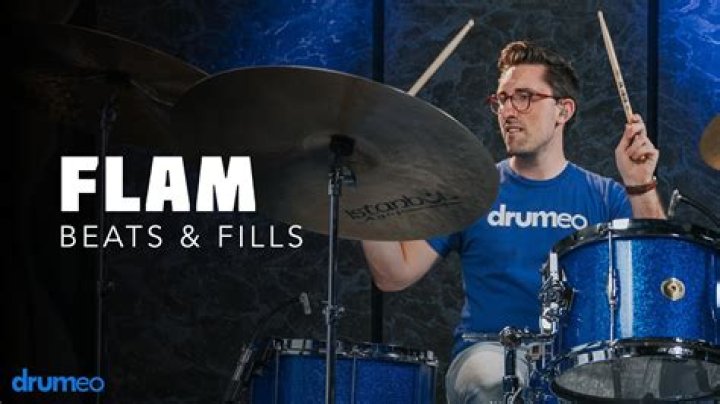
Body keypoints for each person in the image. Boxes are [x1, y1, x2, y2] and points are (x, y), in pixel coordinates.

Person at [362, 40, 665, 403]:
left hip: (577, 360)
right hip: (488, 350)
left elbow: (658, 275)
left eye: (524, 97)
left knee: (638, 382)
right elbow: (394, 274)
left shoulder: (605, 196)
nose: (508, 111)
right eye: (502, 99)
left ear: (563, 110)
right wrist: (367, 188)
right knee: (492, 380)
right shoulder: (471, 191)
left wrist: (640, 184)